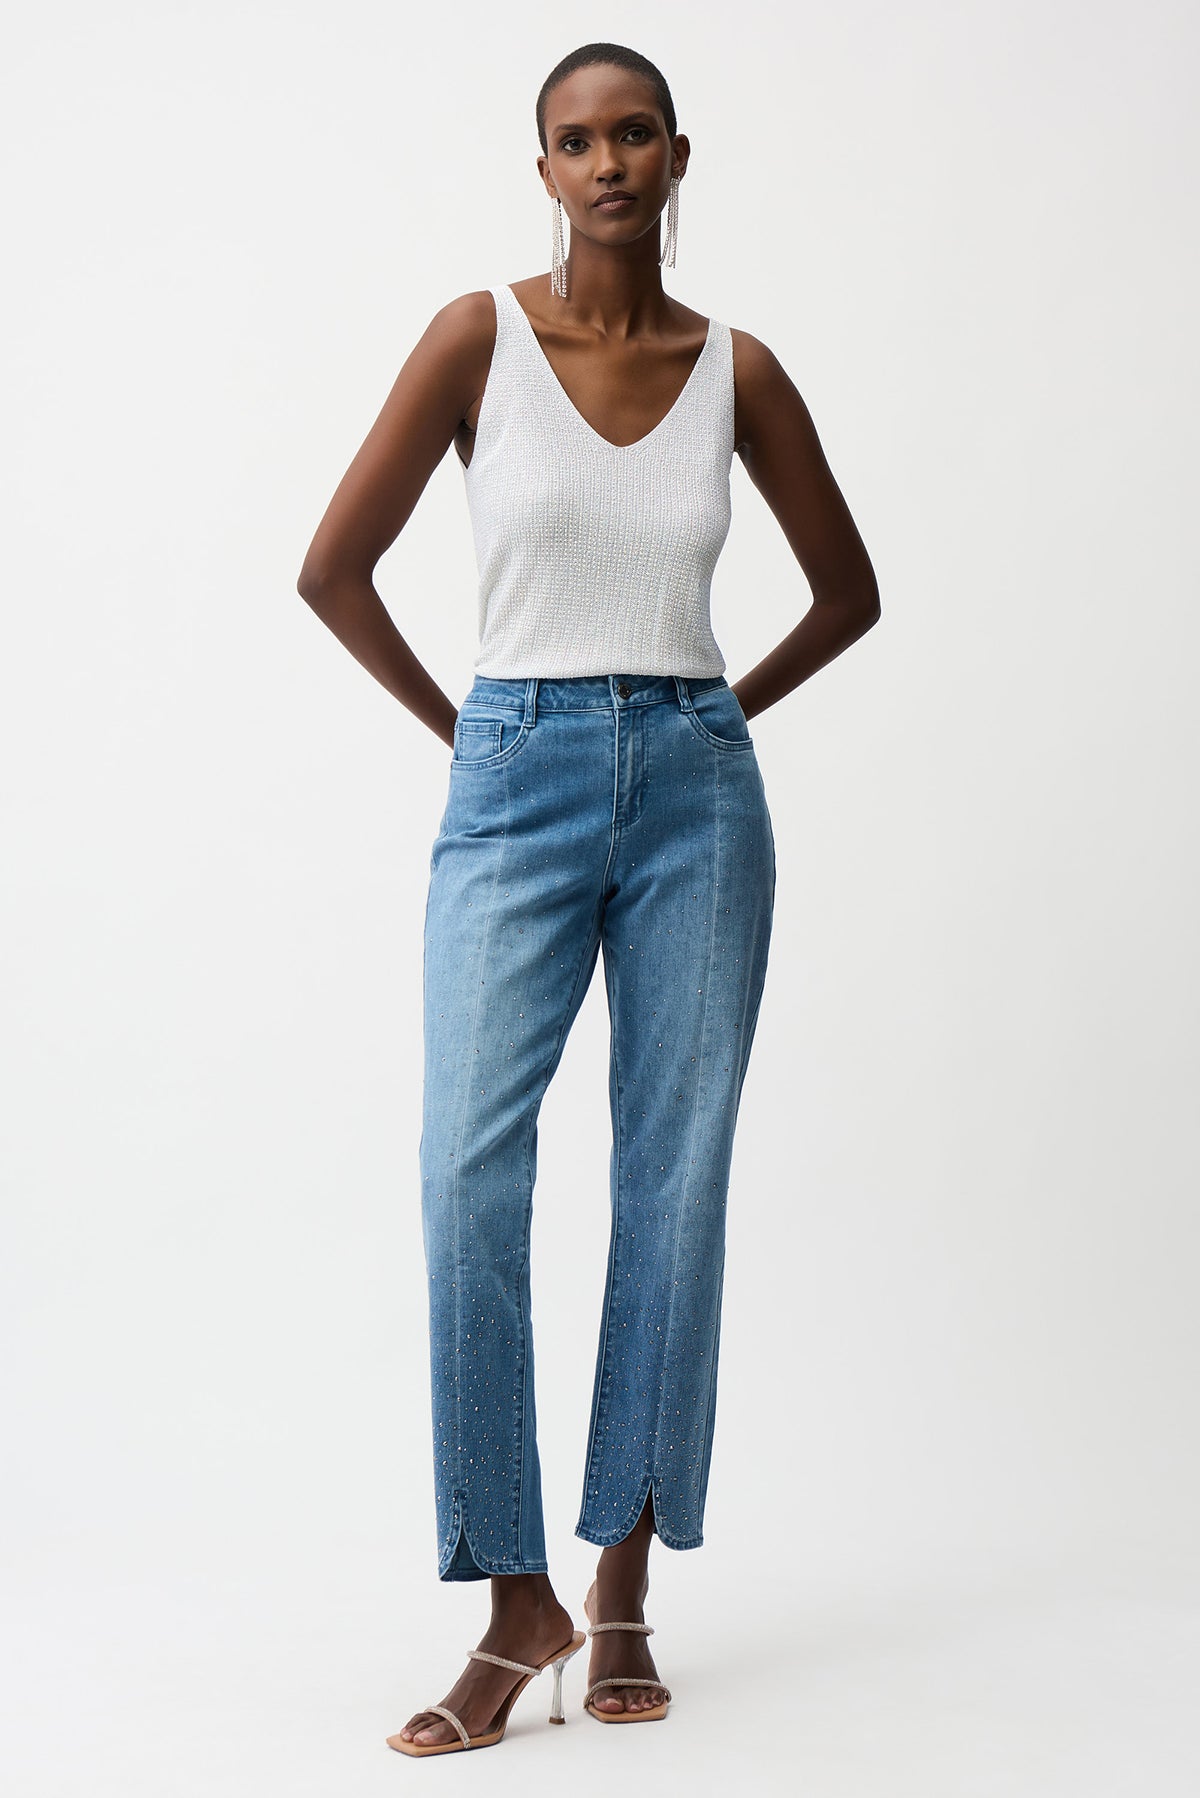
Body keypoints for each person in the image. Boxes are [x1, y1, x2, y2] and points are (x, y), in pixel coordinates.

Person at [297, 40, 880, 1758]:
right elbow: (333, 565)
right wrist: (471, 733)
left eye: (634, 133)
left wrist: (713, 720)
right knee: (466, 1172)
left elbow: (852, 590)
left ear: (676, 155)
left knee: (672, 1186)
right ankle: (513, 1598)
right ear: (540, 169)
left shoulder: (736, 369)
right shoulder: (477, 339)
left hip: (699, 791)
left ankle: (618, 1581)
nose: (608, 160)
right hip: (516, 772)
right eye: (576, 139)